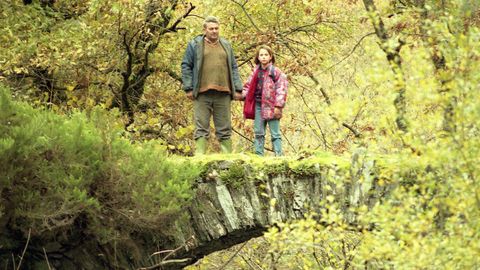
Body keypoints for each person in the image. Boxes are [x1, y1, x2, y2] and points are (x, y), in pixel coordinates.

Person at [181, 16, 243, 155]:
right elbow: (186, 65)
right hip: (202, 92)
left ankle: (227, 158)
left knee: (224, 128)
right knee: (201, 126)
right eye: (211, 29)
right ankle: (200, 157)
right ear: (205, 30)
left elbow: (233, 67)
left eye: (216, 28)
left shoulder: (226, 45)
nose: (214, 31)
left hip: (223, 93)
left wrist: (238, 88)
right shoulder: (195, 45)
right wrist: (188, 87)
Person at [242, 45, 288, 156]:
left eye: (266, 55)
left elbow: (282, 89)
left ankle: (279, 155)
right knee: (258, 132)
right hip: (258, 104)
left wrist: (278, 106)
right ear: (257, 57)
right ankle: (258, 156)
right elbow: (248, 86)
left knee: (275, 133)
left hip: (272, 106)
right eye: (261, 55)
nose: (263, 57)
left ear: (271, 57)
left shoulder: (276, 72)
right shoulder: (255, 72)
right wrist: (242, 95)